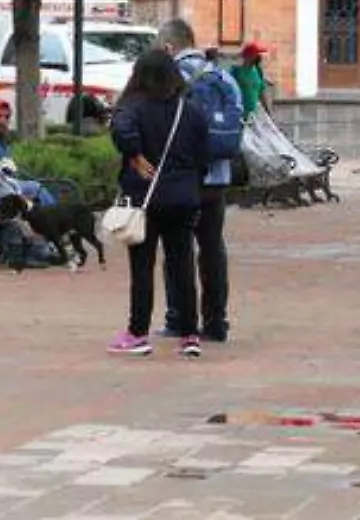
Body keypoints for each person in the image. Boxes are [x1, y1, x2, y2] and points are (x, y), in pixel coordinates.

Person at [108, 49, 210, 358]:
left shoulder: (133, 106)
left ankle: (137, 332)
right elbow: (203, 154)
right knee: (182, 265)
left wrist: (135, 155)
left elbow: (121, 130)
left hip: (145, 198)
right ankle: (190, 334)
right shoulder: (189, 110)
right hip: (183, 198)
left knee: (143, 267)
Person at [156, 18, 238, 343]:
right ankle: (216, 322)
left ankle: (180, 319)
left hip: (182, 178)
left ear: (168, 46)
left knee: (178, 248)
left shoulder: (170, 76)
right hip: (217, 177)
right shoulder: (223, 77)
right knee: (213, 248)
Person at [235, 41, 272, 118]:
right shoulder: (236, 71)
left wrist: (268, 113)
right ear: (249, 56)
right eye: (257, 54)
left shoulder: (258, 71)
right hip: (239, 114)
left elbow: (262, 93)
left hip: (253, 115)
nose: (259, 57)